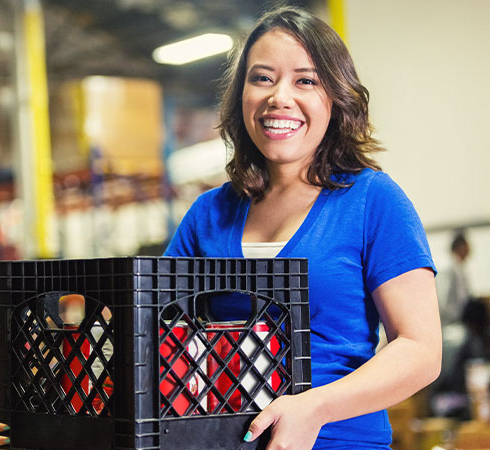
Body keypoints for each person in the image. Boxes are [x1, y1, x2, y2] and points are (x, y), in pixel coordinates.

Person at [163, 6, 441, 450]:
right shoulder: (207, 214)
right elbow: (154, 332)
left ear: (336, 97)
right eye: (262, 78)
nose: (280, 97)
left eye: (305, 80)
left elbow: (421, 350)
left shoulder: (372, 200)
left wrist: (315, 407)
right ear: (241, 96)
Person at [437, 232, 472, 326]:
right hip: (449, 323)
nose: (469, 250)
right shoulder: (448, 267)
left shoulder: (459, 268)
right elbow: (443, 299)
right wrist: (455, 317)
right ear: (459, 247)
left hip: (459, 320)